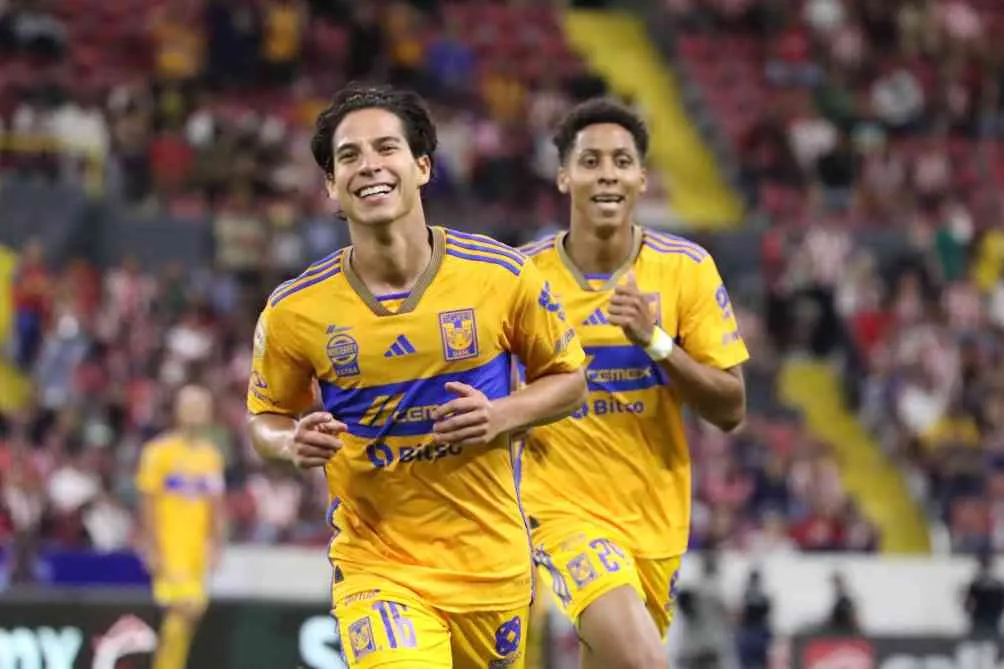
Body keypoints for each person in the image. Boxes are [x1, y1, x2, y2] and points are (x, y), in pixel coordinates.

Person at [246, 82, 588, 669]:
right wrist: (288, 441)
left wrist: (500, 414)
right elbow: (264, 417)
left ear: (422, 165)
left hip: (492, 568)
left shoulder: (500, 276)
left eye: (386, 148)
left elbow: (570, 379)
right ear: (330, 185)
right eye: (348, 156)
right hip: (378, 566)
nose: (368, 165)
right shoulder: (294, 311)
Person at [520, 97, 749, 669]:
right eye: (591, 160)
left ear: (642, 179)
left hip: (655, 524)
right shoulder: (521, 279)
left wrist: (657, 343)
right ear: (563, 175)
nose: (607, 174)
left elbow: (731, 408)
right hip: (559, 511)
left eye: (621, 161)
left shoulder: (684, 269)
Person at [136, 384, 225, 669]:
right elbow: (147, 504)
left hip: (196, 551)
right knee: (180, 611)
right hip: (170, 548)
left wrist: (216, 545)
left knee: (189, 615)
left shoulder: (211, 456)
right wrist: (151, 546)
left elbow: (216, 508)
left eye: (201, 406)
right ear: (177, 409)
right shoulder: (158, 452)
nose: (196, 412)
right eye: (190, 405)